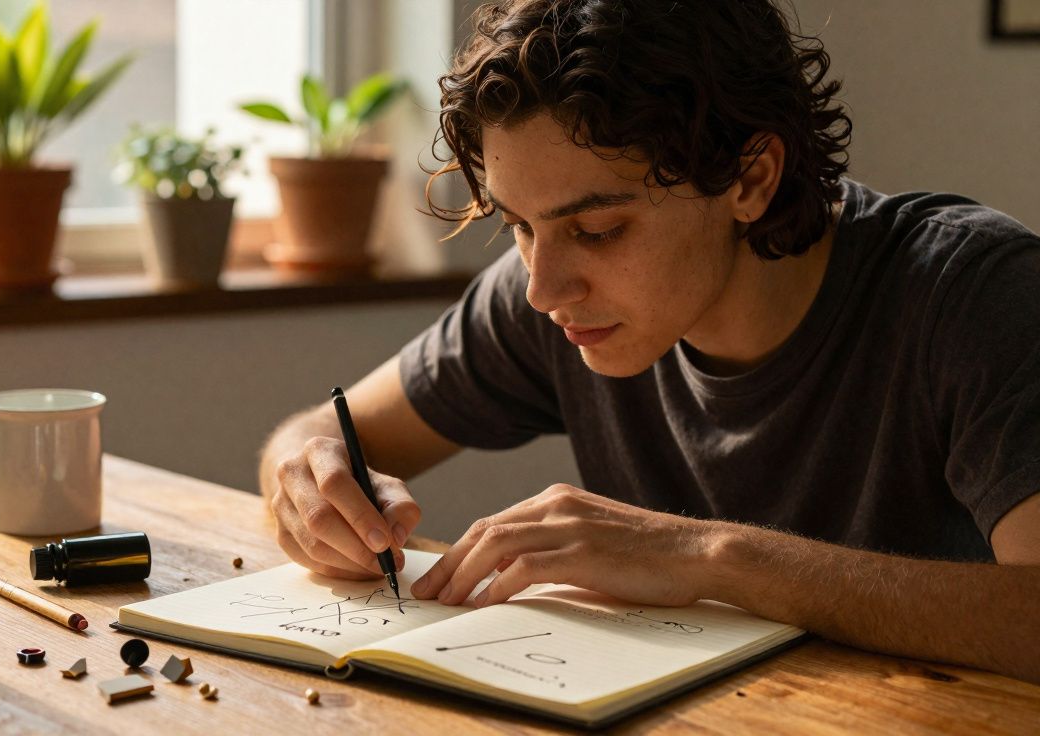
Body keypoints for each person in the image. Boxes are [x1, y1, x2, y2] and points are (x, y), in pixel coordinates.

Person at [258, 0, 1040, 682]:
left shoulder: (975, 293)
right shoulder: (554, 302)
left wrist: (712, 559)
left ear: (751, 180)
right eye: (520, 227)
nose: (542, 287)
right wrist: (310, 481)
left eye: (598, 229)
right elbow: (321, 432)